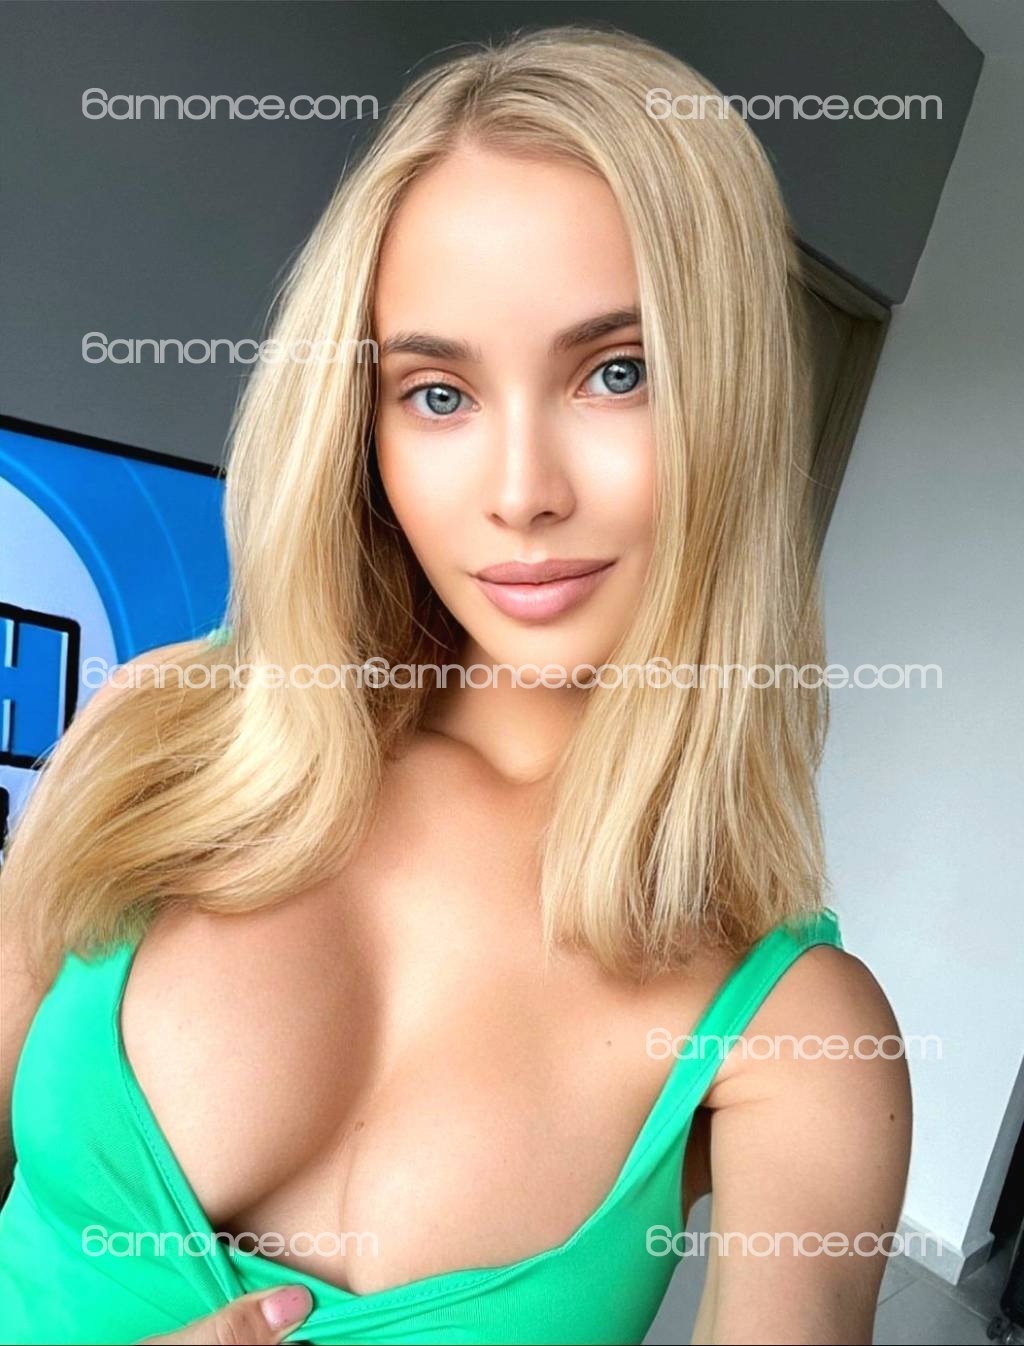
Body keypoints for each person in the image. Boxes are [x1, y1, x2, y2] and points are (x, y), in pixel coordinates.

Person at [0, 23, 911, 1346]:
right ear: (360, 425)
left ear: (735, 407)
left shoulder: (798, 1037)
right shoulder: (160, 735)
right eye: (437, 393)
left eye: (617, 372)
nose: (521, 490)